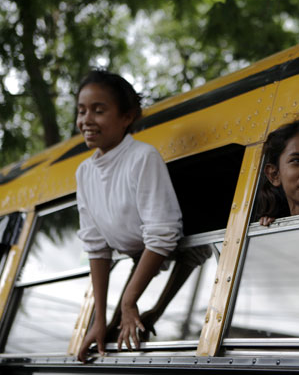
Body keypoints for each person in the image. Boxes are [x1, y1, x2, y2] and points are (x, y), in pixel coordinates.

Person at [75, 70, 207, 362]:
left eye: (99, 110)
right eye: (82, 111)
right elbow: (97, 247)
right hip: (138, 258)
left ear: (127, 117)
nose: (86, 120)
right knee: (109, 332)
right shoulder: (84, 172)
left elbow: (163, 234)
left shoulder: (142, 157)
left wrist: (129, 300)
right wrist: (100, 318)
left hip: (175, 253)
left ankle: (154, 312)